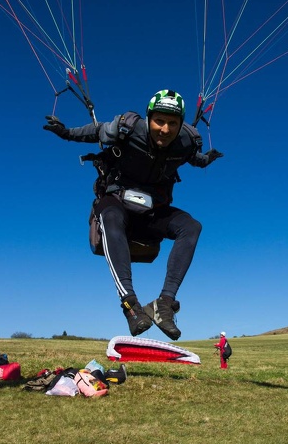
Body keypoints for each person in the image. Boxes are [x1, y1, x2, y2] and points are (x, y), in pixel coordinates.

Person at [43, 89, 223, 341]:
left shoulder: (185, 142)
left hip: (152, 213)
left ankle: (164, 303)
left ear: (180, 124)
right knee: (109, 216)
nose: (165, 129)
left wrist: (207, 160)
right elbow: (96, 132)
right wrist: (66, 133)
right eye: (159, 121)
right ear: (149, 118)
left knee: (191, 226)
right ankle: (130, 304)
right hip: (117, 202)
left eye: (172, 123)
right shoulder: (128, 128)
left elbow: (194, 159)